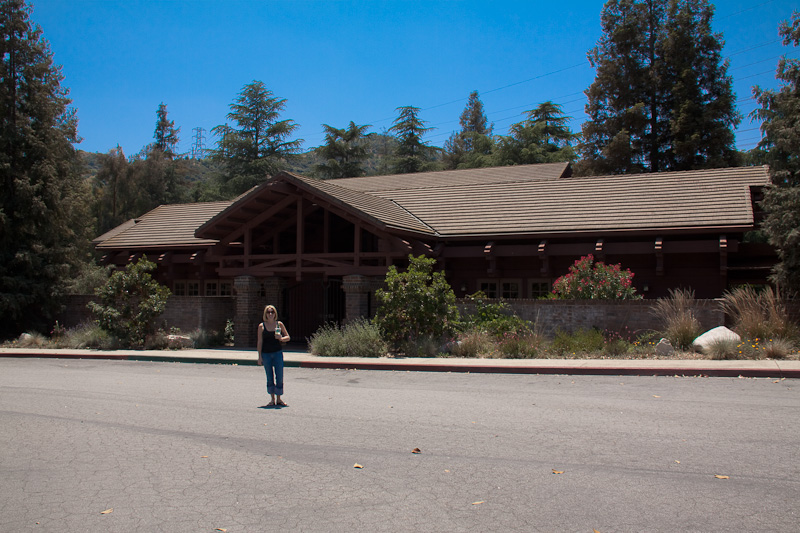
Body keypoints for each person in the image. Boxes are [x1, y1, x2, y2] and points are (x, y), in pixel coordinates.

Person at [256, 304, 290, 407]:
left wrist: (281, 338)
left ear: (275, 313)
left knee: (279, 376)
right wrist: (259, 356)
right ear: (265, 314)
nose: (270, 314)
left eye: (272, 312)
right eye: (268, 312)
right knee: (269, 377)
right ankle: (272, 399)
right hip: (266, 354)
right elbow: (260, 342)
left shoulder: (279, 324)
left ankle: (279, 399)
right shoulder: (261, 326)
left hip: (277, 353)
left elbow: (288, 337)